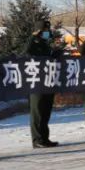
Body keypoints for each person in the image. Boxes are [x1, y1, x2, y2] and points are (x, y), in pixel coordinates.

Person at [26, 20, 62, 148]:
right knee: (38, 111)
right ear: (40, 31)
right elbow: (28, 54)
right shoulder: (33, 41)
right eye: (45, 30)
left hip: (47, 80)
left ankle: (44, 138)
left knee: (46, 110)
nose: (48, 33)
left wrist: (55, 54)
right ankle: (37, 139)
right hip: (37, 81)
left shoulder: (44, 43)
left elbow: (48, 57)